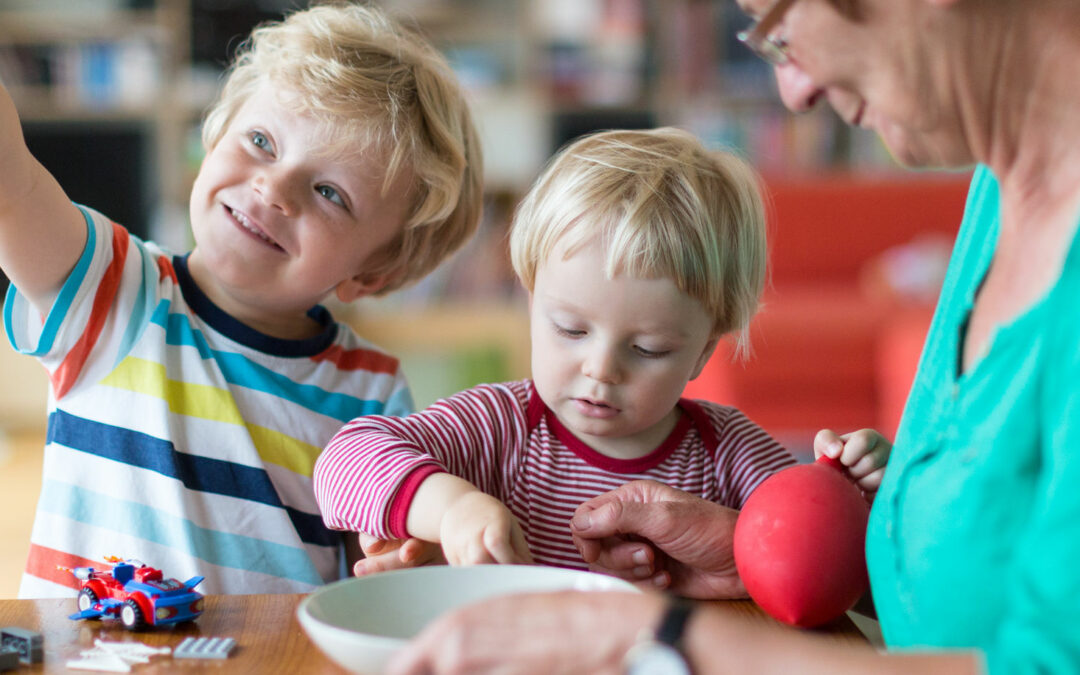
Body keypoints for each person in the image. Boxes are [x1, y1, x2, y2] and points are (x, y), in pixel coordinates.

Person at [379, 0, 1080, 673]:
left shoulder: (724, 444)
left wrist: (669, 638)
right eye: (569, 326)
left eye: (782, 22)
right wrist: (770, 540)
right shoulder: (996, 192)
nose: (792, 89)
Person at [0, 2, 482, 597]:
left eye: (330, 192)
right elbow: (12, 187)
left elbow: (375, 568)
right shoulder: (112, 286)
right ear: (213, 133)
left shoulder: (372, 391)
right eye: (261, 141)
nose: (273, 188)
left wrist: (405, 564)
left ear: (372, 272)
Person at [315, 128, 880, 576]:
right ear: (531, 303)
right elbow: (344, 461)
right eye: (571, 329)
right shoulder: (501, 426)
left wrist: (854, 496)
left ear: (703, 353)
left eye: (648, 348)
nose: (602, 369)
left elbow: (828, 570)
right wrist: (451, 508)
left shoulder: (729, 454)